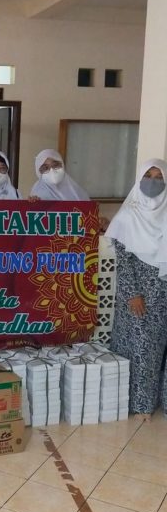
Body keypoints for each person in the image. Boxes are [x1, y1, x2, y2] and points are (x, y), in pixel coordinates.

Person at [106, 159, 167, 421]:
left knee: (160, 351)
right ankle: (141, 404)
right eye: (148, 176)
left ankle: (162, 401)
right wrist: (132, 294)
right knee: (142, 348)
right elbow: (123, 261)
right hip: (138, 296)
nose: (153, 182)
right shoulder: (128, 216)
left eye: (159, 177)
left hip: (163, 295)